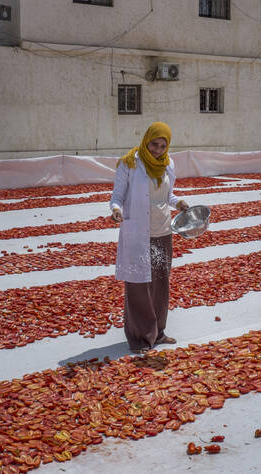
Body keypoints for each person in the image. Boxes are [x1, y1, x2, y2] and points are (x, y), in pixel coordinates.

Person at [109, 122, 190, 354]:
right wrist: (116, 210)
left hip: (162, 231)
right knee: (138, 285)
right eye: (154, 144)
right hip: (137, 232)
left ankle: (159, 332)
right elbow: (117, 195)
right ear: (147, 140)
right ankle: (140, 338)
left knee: (160, 284)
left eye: (163, 146)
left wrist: (179, 202)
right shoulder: (130, 163)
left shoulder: (168, 164)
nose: (157, 150)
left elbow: (168, 194)